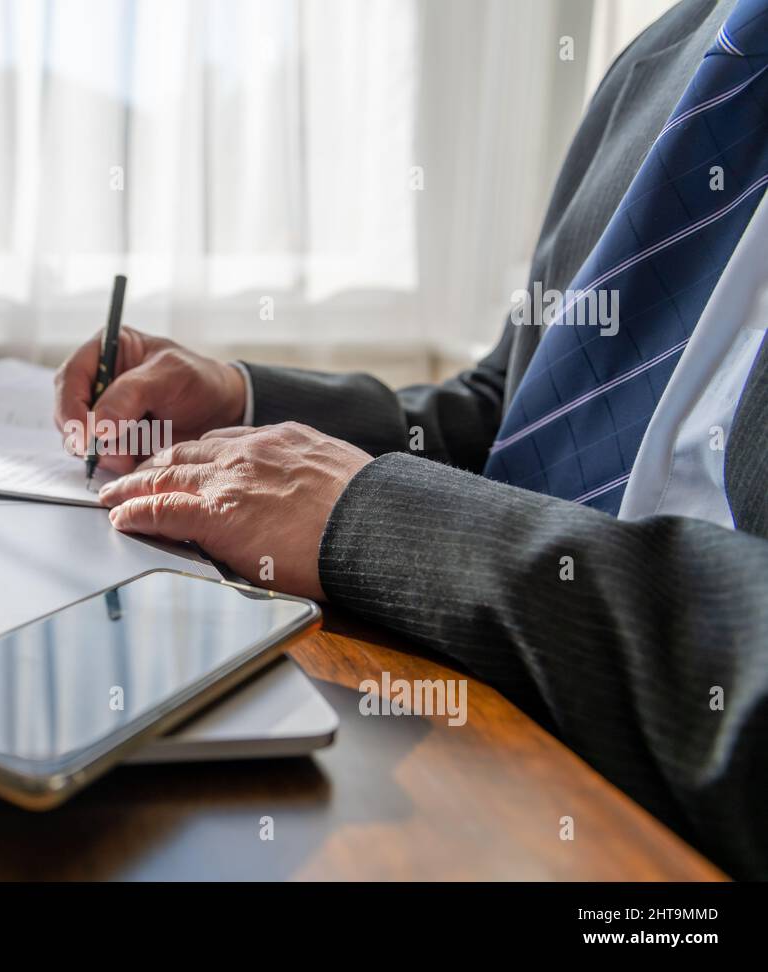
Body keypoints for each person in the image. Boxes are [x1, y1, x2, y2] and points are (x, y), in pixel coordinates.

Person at [53, 0, 768, 879]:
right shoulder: (677, 55)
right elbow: (519, 411)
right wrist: (241, 401)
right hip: (471, 729)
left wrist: (379, 519)